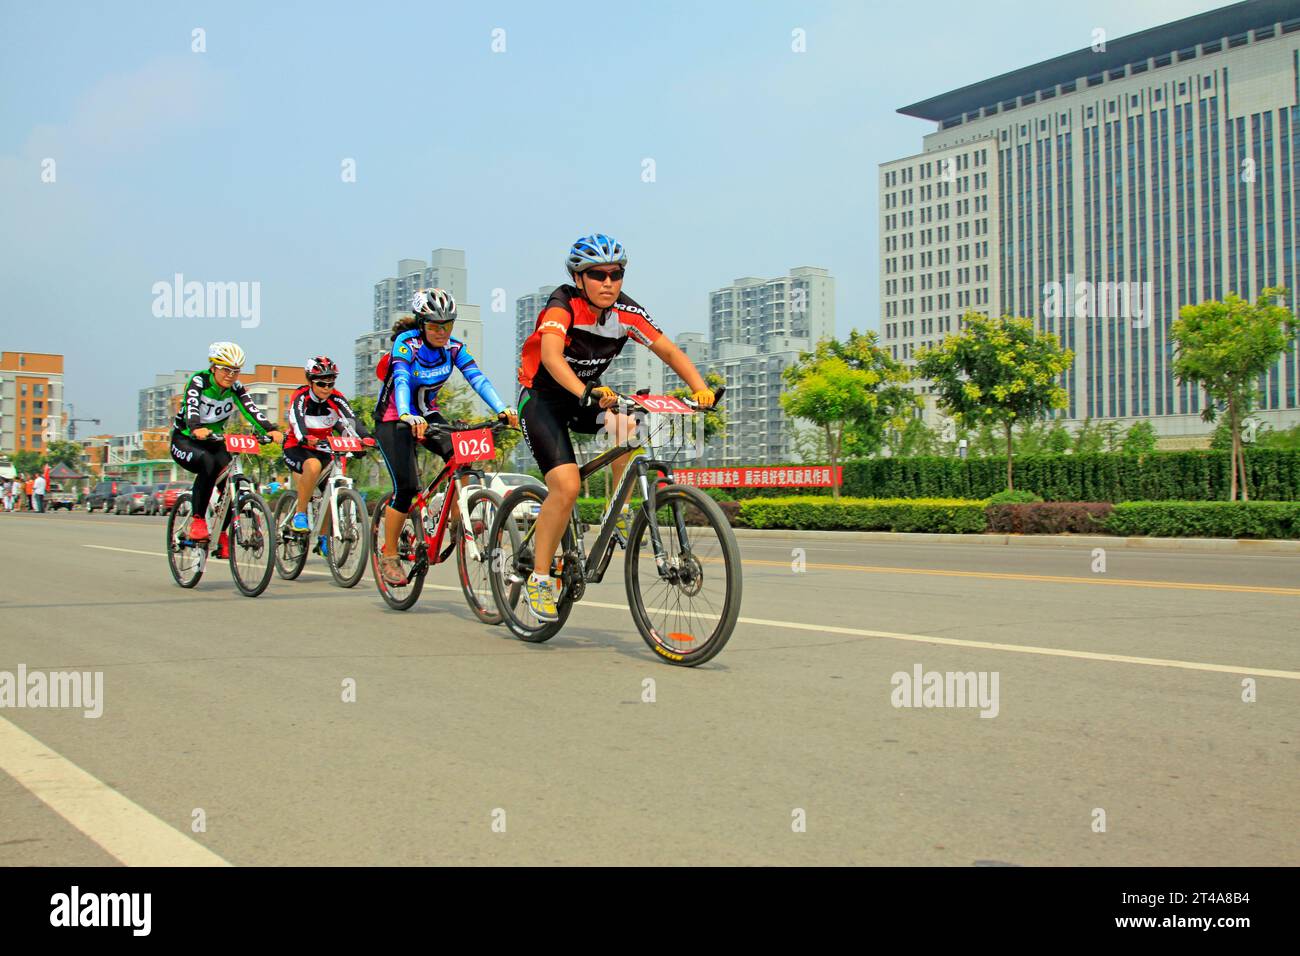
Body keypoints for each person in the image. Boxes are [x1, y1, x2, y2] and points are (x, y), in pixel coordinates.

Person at [515, 234, 715, 621]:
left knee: (630, 424)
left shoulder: (627, 312)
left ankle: (618, 514)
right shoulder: (561, 305)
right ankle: (539, 578)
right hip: (543, 401)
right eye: (597, 274)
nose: (608, 282)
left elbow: (669, 351)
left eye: (616, 273)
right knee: (567, 486)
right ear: (579, 278)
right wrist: (583, 392)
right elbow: (553, 359)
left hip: (588, 396)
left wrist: (700, 388)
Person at [373, 288, 518, 586]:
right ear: (420, 323)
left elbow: (477, 378)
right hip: (394, 419)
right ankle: (389, 554)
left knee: (461, 454)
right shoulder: (406, 345)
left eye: (448, 325)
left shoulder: (454, 349)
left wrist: (502, 408)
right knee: (407, 486)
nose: (442, 332)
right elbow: (401, 378)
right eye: (435, 325)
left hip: (428, 415)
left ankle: (457, 521)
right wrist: (405, 413)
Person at [169, 342, 284, 554]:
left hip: (214, 440)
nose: (231, 375)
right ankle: (197, 520)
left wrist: (270, 429)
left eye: (236, 371)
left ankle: (222, 533)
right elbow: (192, 406)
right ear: (213, 367)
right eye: (226, 369)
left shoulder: (236, 389)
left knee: (236, 485)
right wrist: (196, 427)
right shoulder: (199, 381)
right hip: (186, 439)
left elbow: (251, 411)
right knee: (208, 464)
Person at [282, 355, 374, 556]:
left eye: (330, 383)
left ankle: (324, 536)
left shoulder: (337, 398)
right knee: (313, 466)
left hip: (324, 448)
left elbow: (350, 421)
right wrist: (305, 437)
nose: (326, 388)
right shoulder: (300, 397)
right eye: (321, 383)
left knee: (332, 489)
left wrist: (365, 438)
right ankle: (299, 514)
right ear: (310, 381)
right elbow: (296, 420)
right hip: (297, 446)